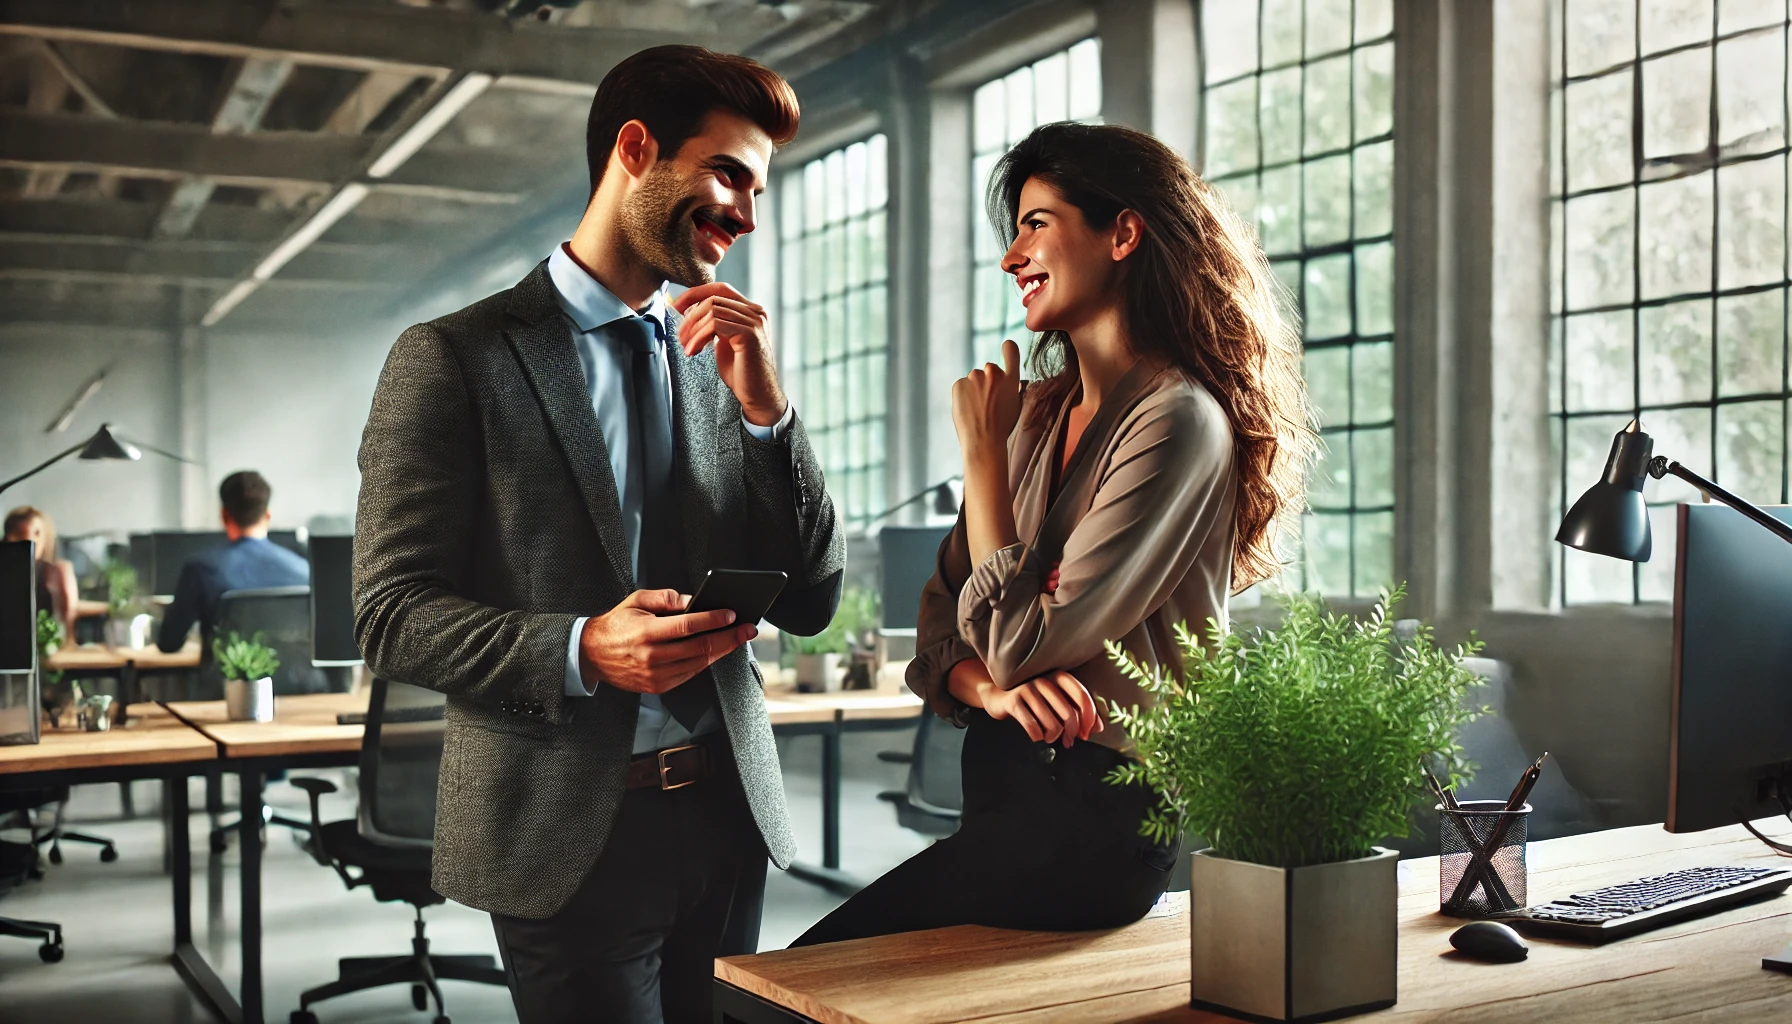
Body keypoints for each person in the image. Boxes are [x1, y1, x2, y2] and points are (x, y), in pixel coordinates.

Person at [352, 45, 842, 1024]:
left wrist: (768, 414)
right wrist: (584, 648)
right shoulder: (454, 358)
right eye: (729, 174)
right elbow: (390, 616)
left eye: (758, 188)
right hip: (563, 830)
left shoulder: (720, 358)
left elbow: (812, 598)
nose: (746, 212)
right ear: (635, 148)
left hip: (725, 815)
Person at [792, 122, 1314, 946]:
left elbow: (1017, 641)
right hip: (1002, 809)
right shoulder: (1032, 415)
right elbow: (940, 627)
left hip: (1092, 828)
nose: (1012, 257)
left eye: (1037, 222)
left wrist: (979, 458)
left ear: (1124, 232)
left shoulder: (1178, 422)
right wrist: (992, 691)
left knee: (795, 976)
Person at [156, 470, 309, 653]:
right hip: (296, 681)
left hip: (227, 681)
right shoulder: (304, 570)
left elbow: (169, 642)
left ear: (224, 515)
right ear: (267, 515)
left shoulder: (199, 569)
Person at [2, 506, 105, 640]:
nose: (36, 538)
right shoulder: (7, 572)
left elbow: (68, 613)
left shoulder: (53, 571)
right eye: (30, 532)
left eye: (39, 532)